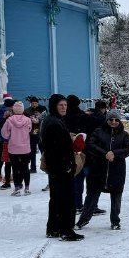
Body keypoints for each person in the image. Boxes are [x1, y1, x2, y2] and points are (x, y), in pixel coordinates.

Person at [76, 109, 129, 230]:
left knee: (116, 196)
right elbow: (91, 145)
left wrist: (114, 153)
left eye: (116, 120)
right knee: (92, 196)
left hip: (116, 170)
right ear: (107, 120)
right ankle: (83, 220)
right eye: (111, 119)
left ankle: (115, 221)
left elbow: (128, 149)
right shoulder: (98, 131)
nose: (113, 122)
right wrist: (104, 153)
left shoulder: (124, 134)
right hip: (98, 169)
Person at [41, 94, 83, 240]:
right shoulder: (54, 123)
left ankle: (53, 228)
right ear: (54, 106)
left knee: (56, 198)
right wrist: (66, 165)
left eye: (65, 105)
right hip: (61, 167)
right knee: (66, 199)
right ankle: (66, 230)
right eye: (61, 105)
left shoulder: (53, 120)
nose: (64, 108)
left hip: (56, 167)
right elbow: (56, 148)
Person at [1, 101, 32, 196]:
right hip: (25, 147)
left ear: (14, 110)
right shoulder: (28, 120)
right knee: (25, 168)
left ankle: (17, 189)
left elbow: (4, 134)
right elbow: (29, 130)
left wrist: (10, 136)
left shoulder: (9, 120)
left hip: (13, 147)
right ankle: (27, 189)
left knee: (15, 168)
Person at [23, 97, 46, 173]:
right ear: (30, 103)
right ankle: (33, 168)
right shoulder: (27, 111)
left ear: (38, 103)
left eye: (36, 103)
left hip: (41, 133)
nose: (34, 105)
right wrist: (30, 121)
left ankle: (46, 166)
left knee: (43, 151)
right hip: (31, 133)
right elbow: (24, 121)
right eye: (33, 103)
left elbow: (46, 119)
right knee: (32, 152)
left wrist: (39, 120)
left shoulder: (42, 109)